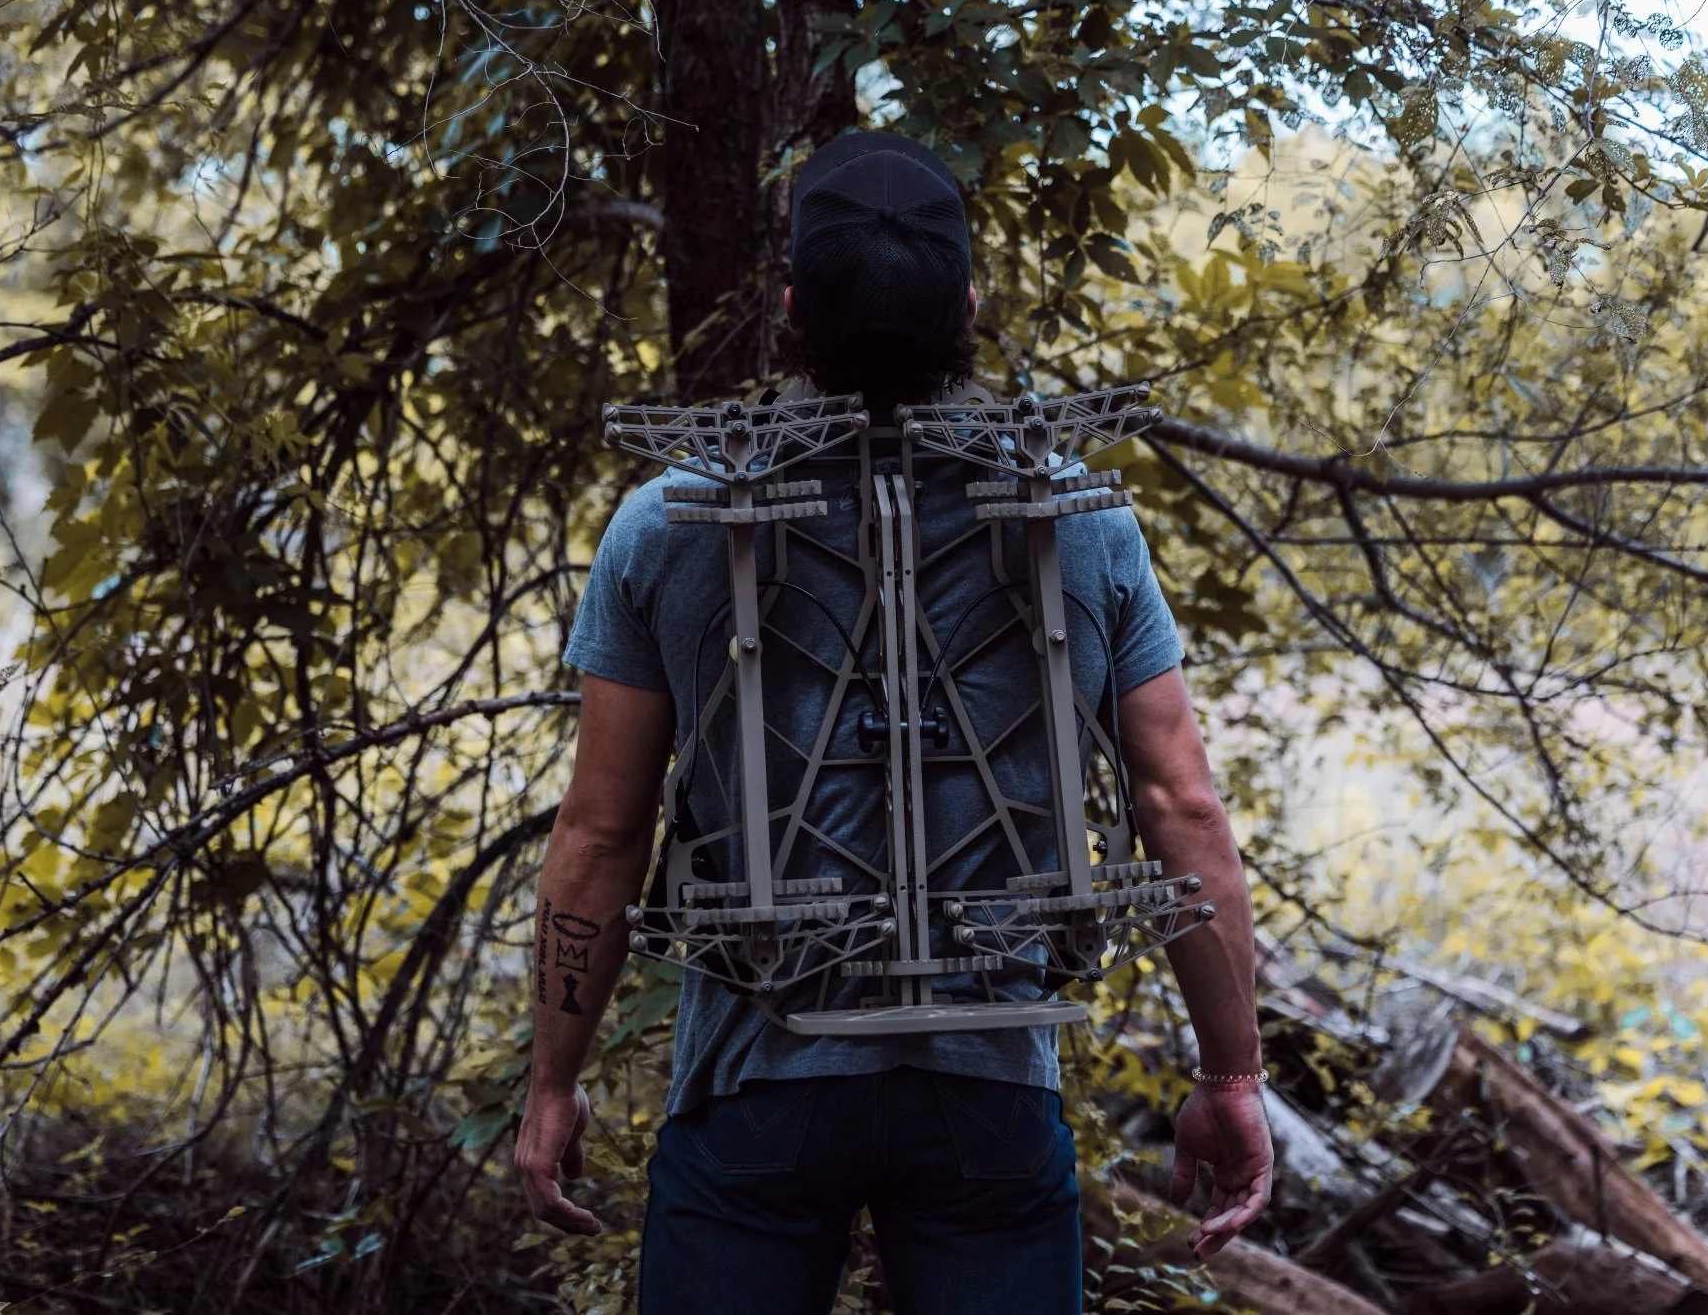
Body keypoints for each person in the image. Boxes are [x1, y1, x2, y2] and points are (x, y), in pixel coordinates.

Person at [513, 132, 1273, 1315]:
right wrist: (1230, 1071)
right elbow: (1179, 805)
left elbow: (603, 830)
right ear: (966, 302)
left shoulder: (669, 521)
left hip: (754, 1085)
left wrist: (551, 1078)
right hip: (988, 1091)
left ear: (787, 310)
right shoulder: (1081, 519)